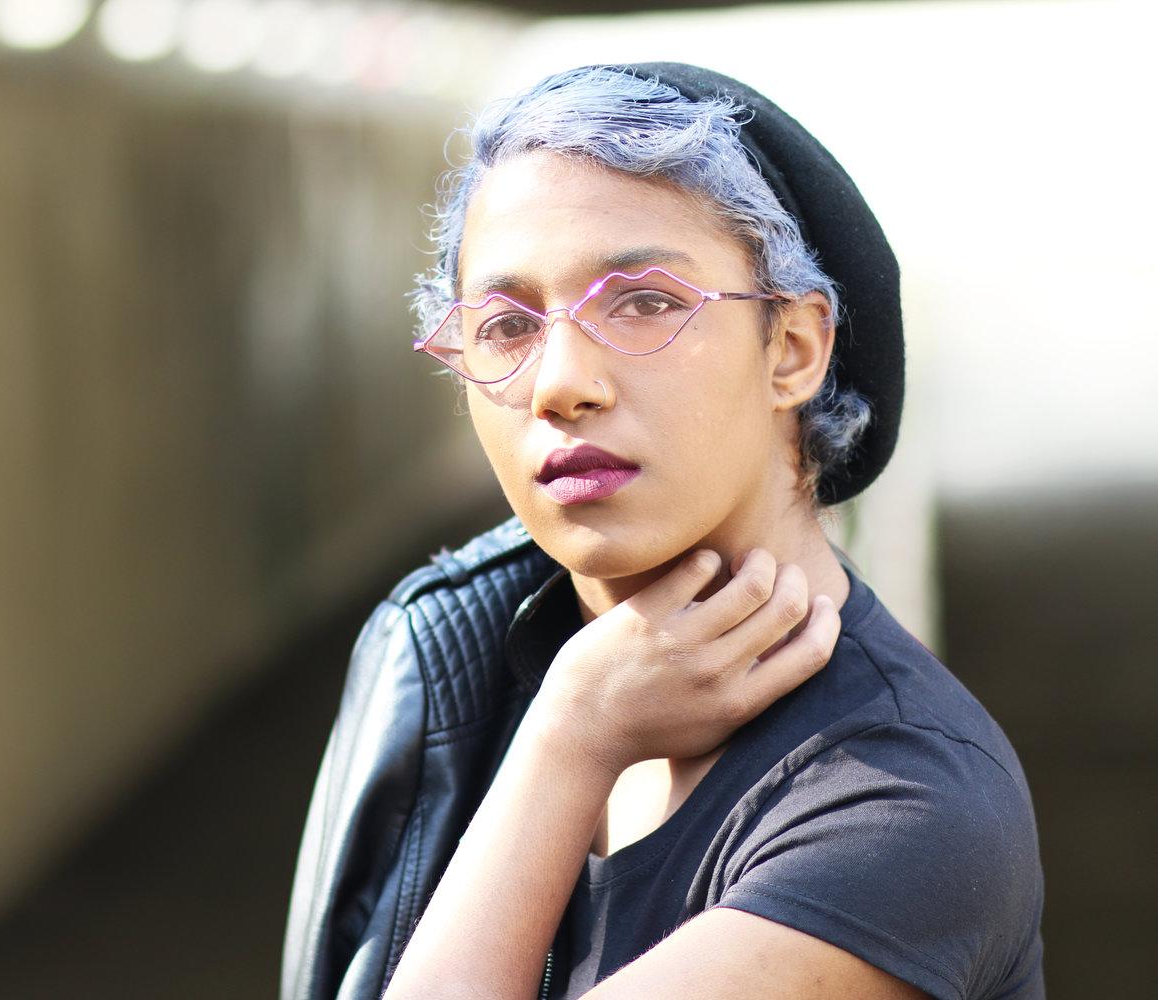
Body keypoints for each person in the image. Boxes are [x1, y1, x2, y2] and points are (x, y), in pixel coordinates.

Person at [281, 63, 1044, 1000]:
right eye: (506, 323)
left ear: (794, 349)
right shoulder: (454, 665)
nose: (561, 382)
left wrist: (571, 736)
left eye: (643, 300)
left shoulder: (903, 805)